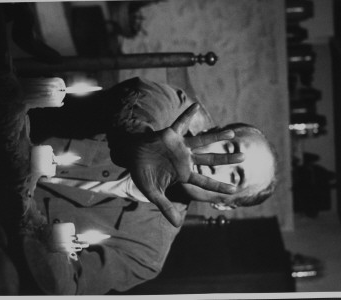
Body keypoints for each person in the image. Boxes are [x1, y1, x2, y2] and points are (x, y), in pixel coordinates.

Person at [25, 76, 277, 295]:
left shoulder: (148, 252)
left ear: (223, 204)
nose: (219, 166)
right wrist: (135, 140)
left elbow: (67, 285)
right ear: (216, 130)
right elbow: (140, 102)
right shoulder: (175, 108)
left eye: (235, 177)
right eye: (229, 149)